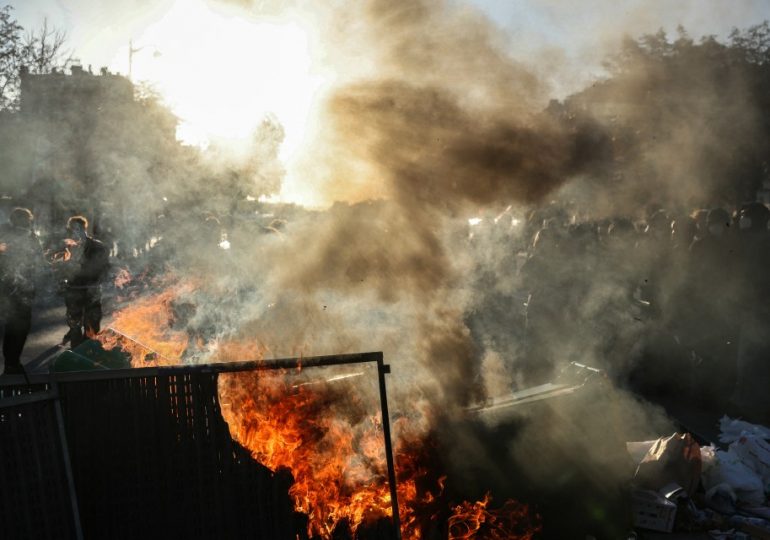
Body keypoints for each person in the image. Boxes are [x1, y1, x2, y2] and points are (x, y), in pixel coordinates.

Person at [0, 208, 45, 375]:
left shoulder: (29, 236)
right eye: (26, 219)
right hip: (13, 288)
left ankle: (12, 362)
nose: (27, 222)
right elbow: (39, 261)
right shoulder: (24, 236)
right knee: (17, 326)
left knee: (16, 326)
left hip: (19, 289)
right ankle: (12, 362)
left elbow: (39, 260)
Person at [56, 216, 110, 348]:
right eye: (73, 229)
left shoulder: (98, 246)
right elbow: (61, 268)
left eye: (78, 228)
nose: (76, 232)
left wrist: (97, 282)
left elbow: (104, 267)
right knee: (75, 326)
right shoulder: (67, 247)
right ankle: (75, 354)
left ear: (84, 228)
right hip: (74, 290)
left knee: (92, 326)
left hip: (92, 289)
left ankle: (89, 352)